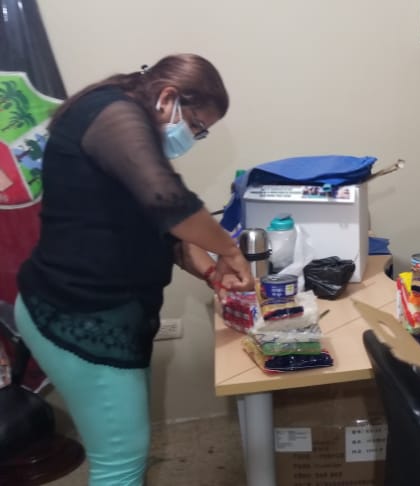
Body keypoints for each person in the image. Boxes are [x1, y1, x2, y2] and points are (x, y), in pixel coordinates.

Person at [13, 53, 252, 485]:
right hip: (76, 316)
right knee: (119, 463)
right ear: (168, 97)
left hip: (105, 315)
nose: (193, 138)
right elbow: (169, 203)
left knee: (125, 450)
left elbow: (164, 230)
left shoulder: (122, 126)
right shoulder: (113, 114)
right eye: (197, 126)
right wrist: (229, 252)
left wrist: (210, 272)